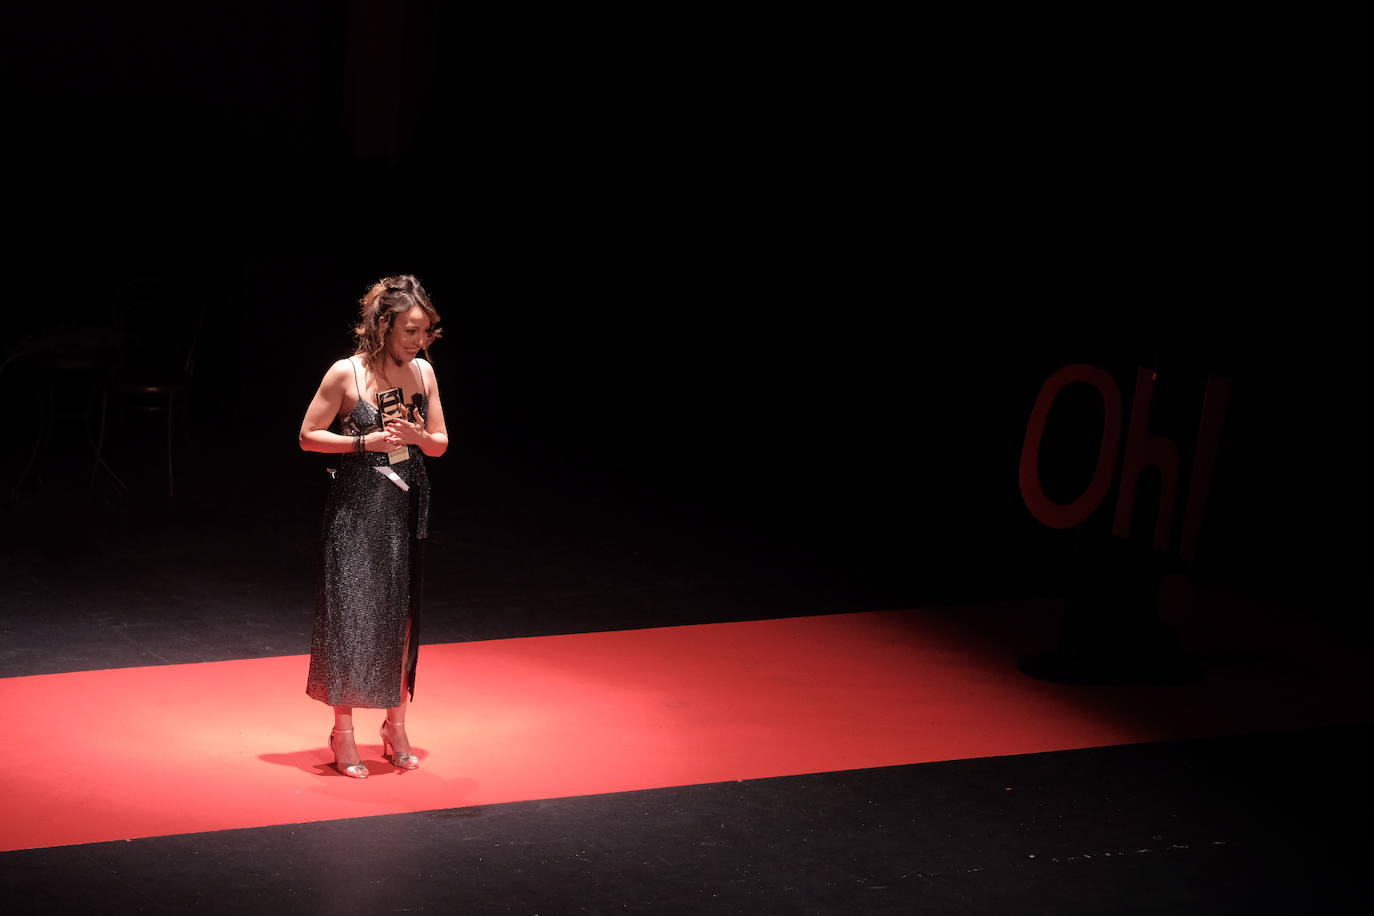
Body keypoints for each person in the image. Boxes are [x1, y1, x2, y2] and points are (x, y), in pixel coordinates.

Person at [298, 275, 449, 777]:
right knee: (351, 614)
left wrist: (417, 434)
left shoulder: (423, 372)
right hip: (357, 507)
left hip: (405, 503)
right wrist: (364, 443)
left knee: (400, 614)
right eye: (409, 330)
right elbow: (308, 436)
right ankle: (343, 732)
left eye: (424, 331)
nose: (417, 341)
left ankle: (395, 724)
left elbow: (440, 444)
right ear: (383, 326)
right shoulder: (347, 373)